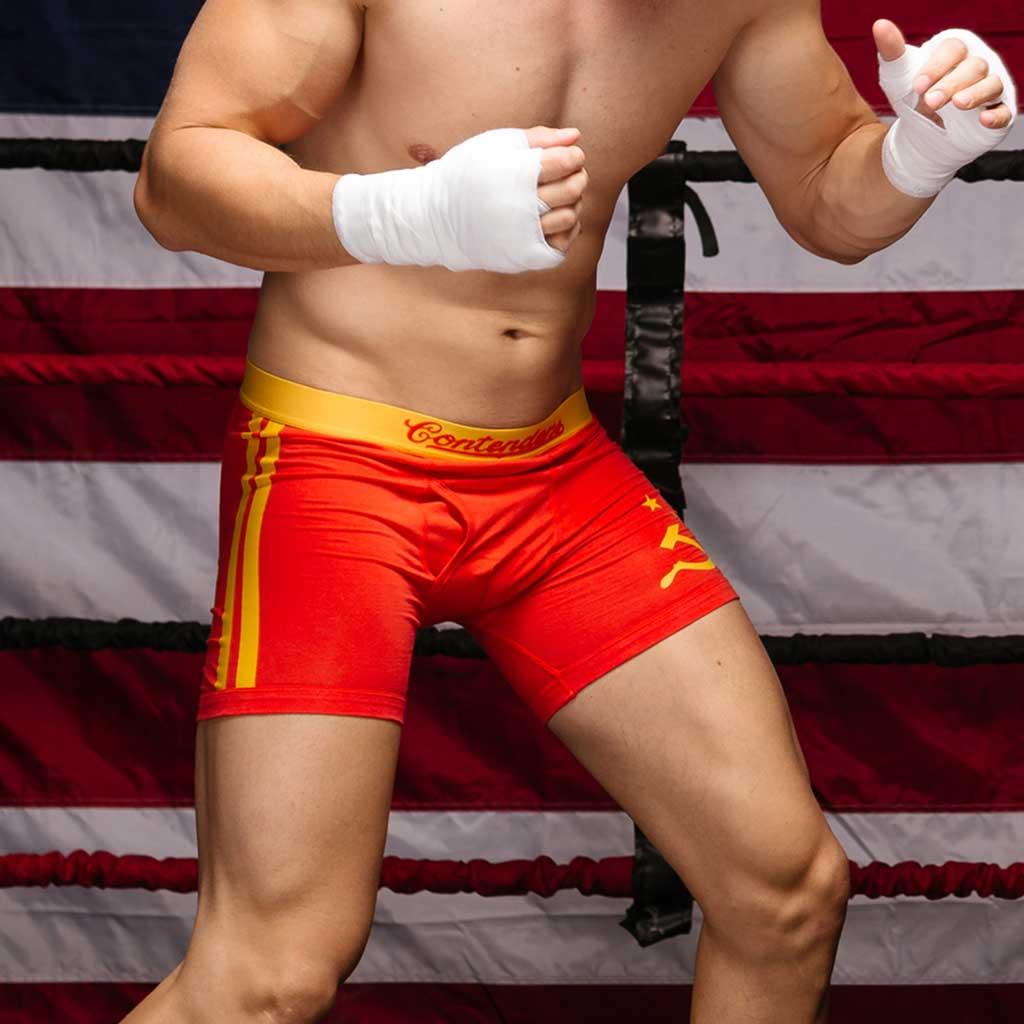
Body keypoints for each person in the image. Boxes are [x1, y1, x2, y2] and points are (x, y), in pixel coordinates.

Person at [125, 2, 1015, 1021]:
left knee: (787, 895)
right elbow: (174, 183)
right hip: (338, 464)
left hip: (550, 471)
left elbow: (823, 194)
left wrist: (917, 151)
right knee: (269, 973)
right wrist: (406, 212)